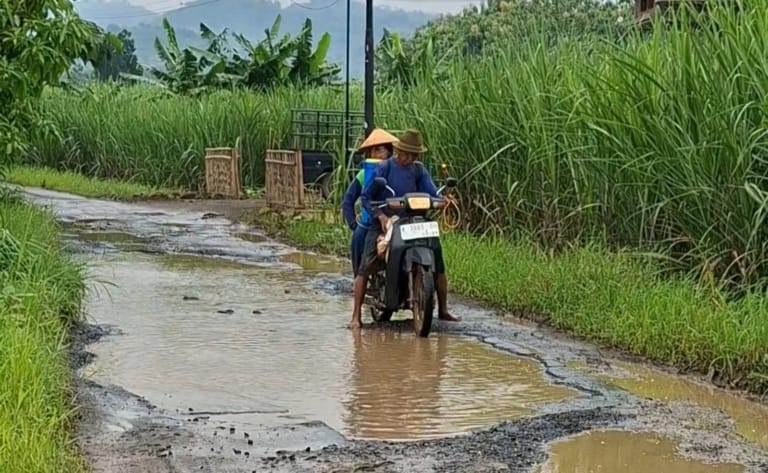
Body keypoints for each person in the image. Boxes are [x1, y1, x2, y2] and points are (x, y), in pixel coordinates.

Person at [348, 128, 461, 329]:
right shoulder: (384, 169)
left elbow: (432, 193)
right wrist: (381, 216)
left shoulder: (419, 170)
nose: (409, 158)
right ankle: (356, 315)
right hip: (386, 221)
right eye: (406, 153)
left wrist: (443, 201)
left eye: (413, 155)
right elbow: (367, 197)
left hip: (415, 220)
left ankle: (442, 309)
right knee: (367, 264)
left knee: (439, 263)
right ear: (398, 151)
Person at [340, 128, 398, 276]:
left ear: (390, 152)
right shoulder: (364, 174)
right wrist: (353, 224)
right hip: (370, 220)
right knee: (358, 240)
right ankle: (358, 277)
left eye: (383, 149)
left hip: (395, 218)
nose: (380, 154)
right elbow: (348, 201)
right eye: (375, 150)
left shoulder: (397, 171)